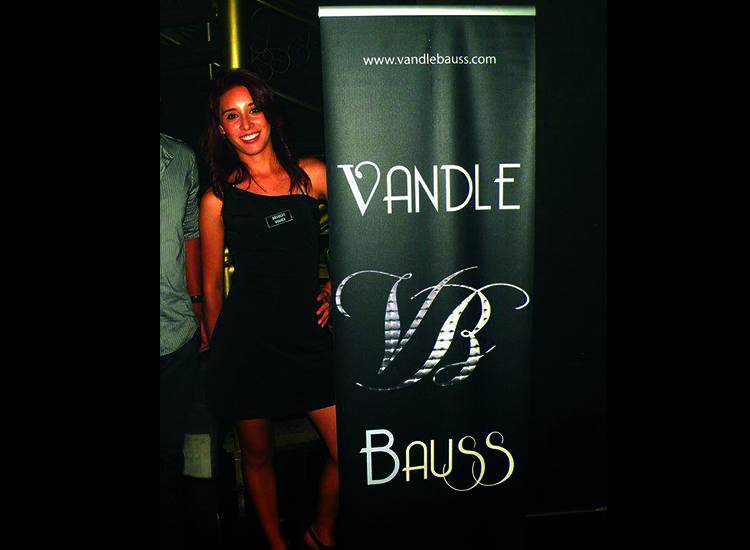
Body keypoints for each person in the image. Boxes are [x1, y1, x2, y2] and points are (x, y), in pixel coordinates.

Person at [200, 69, 337, 550]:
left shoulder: (313, 176)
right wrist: (220, 359)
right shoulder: (218, 199)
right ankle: (276, 545)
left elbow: (366, 230)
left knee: (352, 448)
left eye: (253, 109)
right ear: (221, 129)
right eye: (232, 116)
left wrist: (334, 284)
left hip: (307, 339)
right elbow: (211, 288)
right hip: (246, 346)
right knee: (257, 458)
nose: (246, 124)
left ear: (269, 113)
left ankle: (320, 533)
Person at [160, 132, 206, 548]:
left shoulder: (180, 158)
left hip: (176, 331)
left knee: (179, 448)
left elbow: (191, 232)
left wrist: (197, 305)